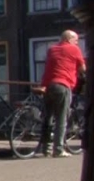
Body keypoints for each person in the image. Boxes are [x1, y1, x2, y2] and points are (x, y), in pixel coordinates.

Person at [34, 30, 86, 158]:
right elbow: (83, 69)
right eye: (76, 40)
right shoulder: (74, 49)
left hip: (48, 86)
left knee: (48, 118)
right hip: (63, 85)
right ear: (69, 39)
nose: (77, 43)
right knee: (61, 118)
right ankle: (58, 149)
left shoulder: (52, 49)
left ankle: (46, 148)